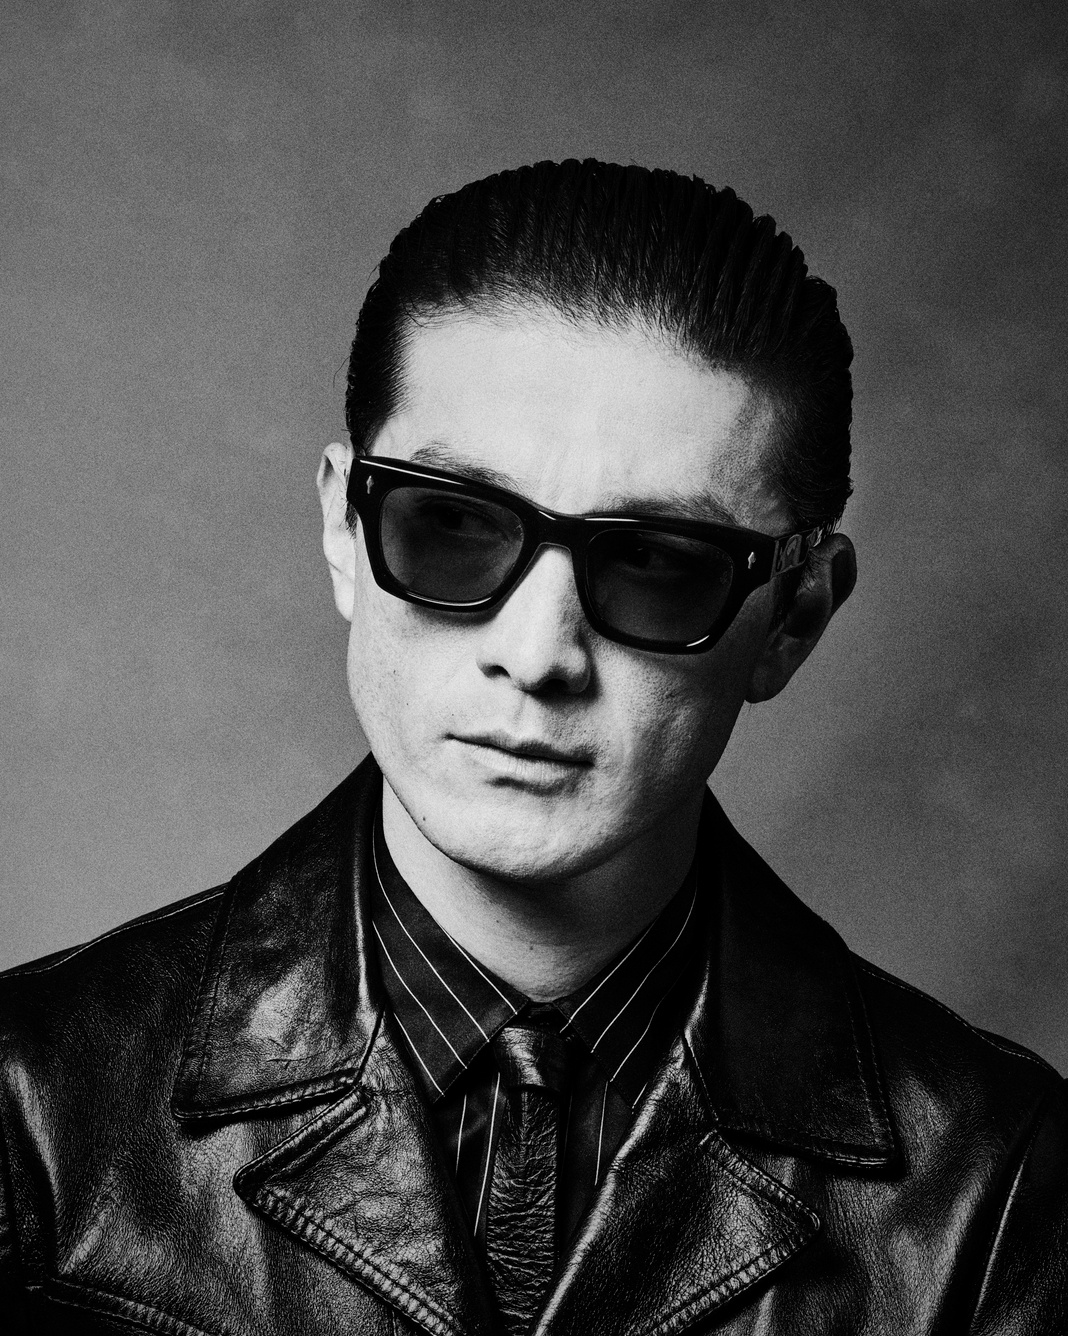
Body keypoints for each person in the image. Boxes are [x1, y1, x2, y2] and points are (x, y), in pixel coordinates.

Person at [1, 159, 1065, 1335]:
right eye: (453, 524)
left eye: (654, 563)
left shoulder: (997, 1192)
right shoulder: (30, 1113)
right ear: (344, 527)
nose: (536, 652)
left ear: (794, 618)